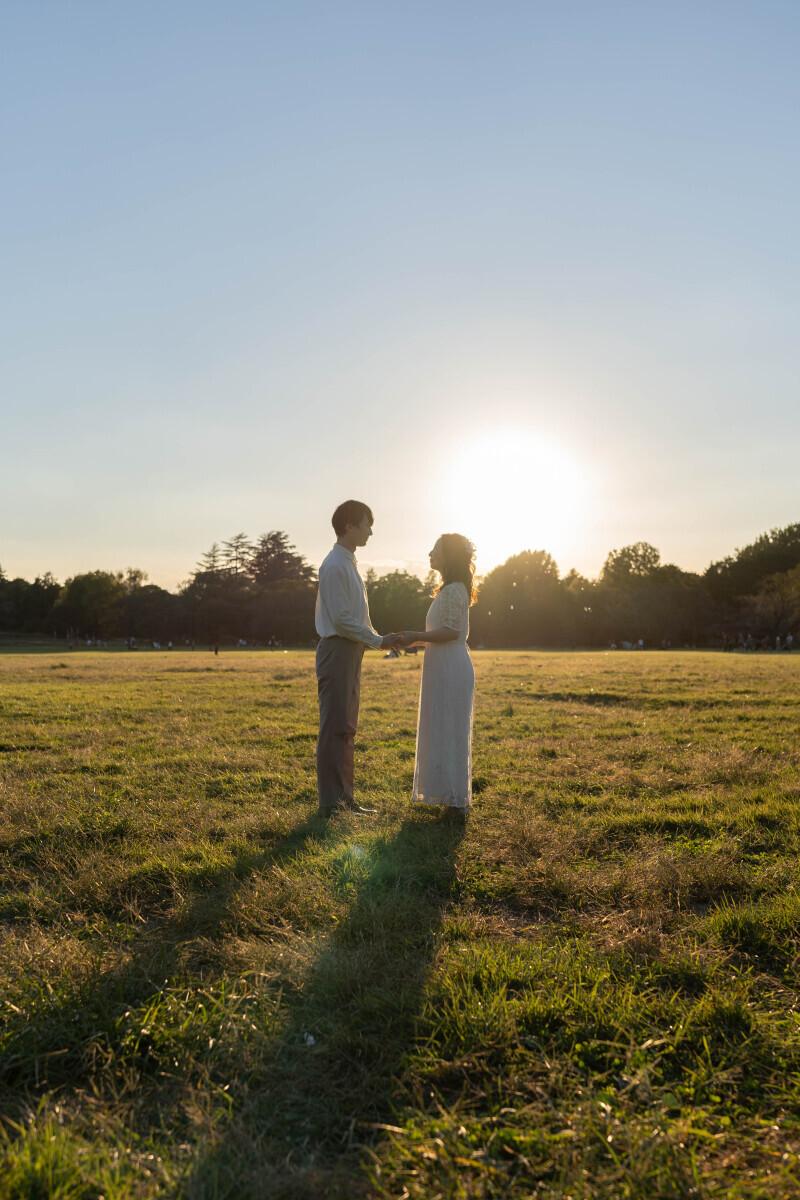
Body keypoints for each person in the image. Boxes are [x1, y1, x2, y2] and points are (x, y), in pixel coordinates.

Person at [315, 500, 399, 816]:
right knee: (335, 725)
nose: (371, 531)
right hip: (338, 649)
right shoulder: (335, 565)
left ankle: (345, 799)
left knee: (347, 727)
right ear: (349, 526)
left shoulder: (348, 563)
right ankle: (330, 803)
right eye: (367, 524)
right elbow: (341, 620)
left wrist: (379, 639)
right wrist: (377, 640)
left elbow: (357, 618)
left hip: (351, 649)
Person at [397, 533, 476, 816]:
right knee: (441, 727)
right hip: (442, 663)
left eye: (436, 549)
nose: (430, 553)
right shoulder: (448, 589)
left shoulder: (455, 589)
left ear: (449, 556)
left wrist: (418, 634)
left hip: (450, 667)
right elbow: (439, 634)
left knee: (450, 729)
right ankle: (447, 797)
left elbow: (452, 632)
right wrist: (413, 640)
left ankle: (455, 803)